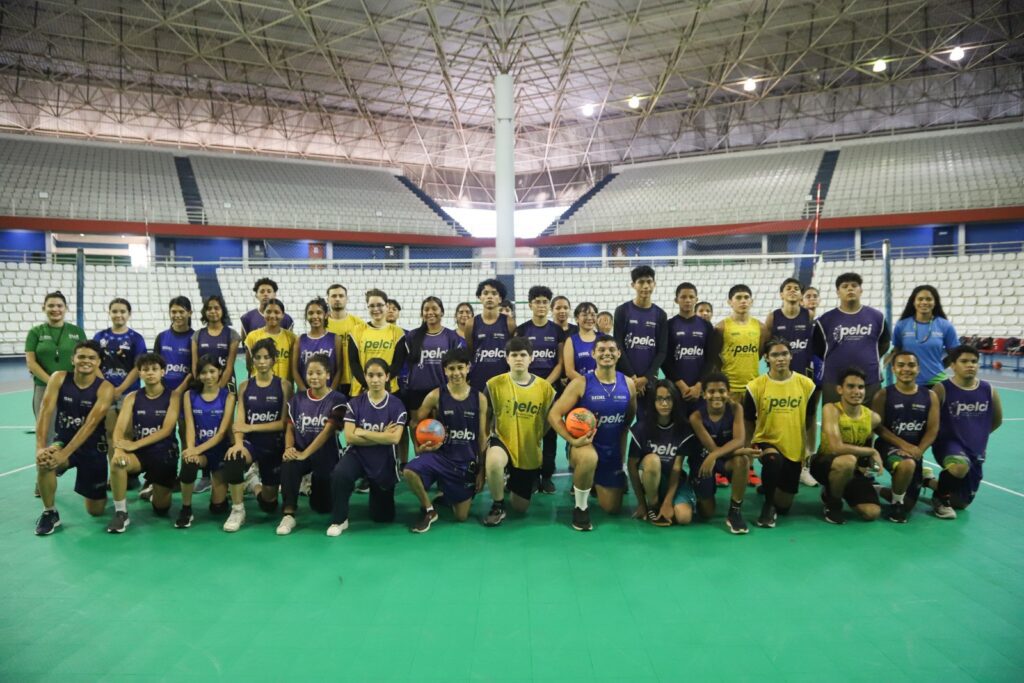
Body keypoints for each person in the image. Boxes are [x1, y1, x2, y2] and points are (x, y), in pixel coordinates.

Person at [549, 335, 636, 532]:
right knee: (589, 458)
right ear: (593, 354)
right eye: (602, 350)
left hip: (611, 453)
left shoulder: (628, 384)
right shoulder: (581, 383)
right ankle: (581, 507)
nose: (607, 353)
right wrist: (573, 440)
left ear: (619, 354)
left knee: (612, 509)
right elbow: (554, 415)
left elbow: (627, 422)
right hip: (584, 447)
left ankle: (592, 480)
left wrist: (621, 456)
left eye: (612, 350)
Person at [33, 341, 113, 535]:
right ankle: (49, 512)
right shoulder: (59, 378)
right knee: (45, 461)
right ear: (73, 359)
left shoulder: (105, 388)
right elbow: (45, 411)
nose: (86, 361)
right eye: (81, 357)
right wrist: (41, 447)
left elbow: (90, 425)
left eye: (91, 358)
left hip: (93, 447)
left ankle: (94, 490)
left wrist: (65, 454)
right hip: (63, 441)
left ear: (99, 362)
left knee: (95, 511)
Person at [403, 348, 486, 532]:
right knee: (409, 471)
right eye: (451, 369)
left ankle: (447, 494)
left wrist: (482, 471)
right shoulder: (436, 395)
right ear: (445, 371)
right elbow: (414, 423)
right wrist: (419, 448)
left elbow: (482, 437)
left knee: (461, 517)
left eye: (460, 368)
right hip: (440, 458)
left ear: (468, 368)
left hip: (465, 463)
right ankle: (430, 509)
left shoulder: (479, 398)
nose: (456, 373)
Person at [327, 359, 407, 536]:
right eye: (371, 375)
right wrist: (381, 436)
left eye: (379, 375)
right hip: (357, 455)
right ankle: (340, 520)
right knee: (340, 474)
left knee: (382, 517)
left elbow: (394, 438)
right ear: (365, 377)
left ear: (387, 377)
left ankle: (376, 493)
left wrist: (362, 432)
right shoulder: (355, 403)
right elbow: (349, 437)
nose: (375, 379)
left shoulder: (396, 405)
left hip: (384, 458)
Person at [481, 337, 556, 527]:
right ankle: (497, 505)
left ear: (531, 358)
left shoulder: (545, 388)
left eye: (523, 355)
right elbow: (485, 413)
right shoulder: (494, 384)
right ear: (507, 359)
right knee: (494, 461)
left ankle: (510, 483)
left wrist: (539, 434)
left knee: (520, 507)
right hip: (502, 439)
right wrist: (485, 438)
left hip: (528, 448)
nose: (518, 359)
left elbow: (550, 419)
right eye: (514, 355)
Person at [743, 338, 816, 528]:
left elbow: (809, 418)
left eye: (784, 353)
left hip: (793, 446)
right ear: (766, 358)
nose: (780, 358)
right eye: (775, 355)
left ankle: (770, 489)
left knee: (784, 506)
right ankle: (767, 507)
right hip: (766, 440)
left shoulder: (806, 385)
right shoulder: (755, 386)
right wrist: (749, 444)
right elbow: (748, 419)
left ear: (791, 356)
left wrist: (808, 446)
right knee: (773, 461)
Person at [106, 353, 181, 533]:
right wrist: (118, 449)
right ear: (139, 373)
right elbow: (119, 428)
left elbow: (166, 430)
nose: (150, 373)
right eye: (145, 369)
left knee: (161, 509)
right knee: (118, 463)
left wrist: (134, 445)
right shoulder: (132, 397)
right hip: (139, 455)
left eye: (154, 369)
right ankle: (121, 513)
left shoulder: (173, 397)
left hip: (164, 453)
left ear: (163, 372)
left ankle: (154, 487)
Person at [223, 338, 293, 532]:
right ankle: (237, 510)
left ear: (273, 360)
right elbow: (240, 423)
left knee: (269, 504)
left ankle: (253, 482)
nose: (261, 362)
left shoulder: (284, 386)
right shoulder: (245, 386)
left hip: (274, 446)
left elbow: (282, 423)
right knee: (234, 457)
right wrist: (238, 443)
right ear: (252, 360)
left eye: (266, 358)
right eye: (258, 358)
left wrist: (252, 428)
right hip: (251, 445)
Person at [927, 345, 1003, 519]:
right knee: (959, 466)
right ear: (953, 365)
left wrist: (978, 435)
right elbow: (930, 420)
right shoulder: (941, 389)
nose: (970, 365)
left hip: (976, 450)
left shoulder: (988, 390)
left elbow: (997, 420)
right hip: (948, 446)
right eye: (964, 361)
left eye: (974, 361)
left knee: (960, 503)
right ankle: (940, 499)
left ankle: (927, 481)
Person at [276, 354, 348, 535]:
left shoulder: (338, 399)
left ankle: (313, 484)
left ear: (328, 375)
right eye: (310, 373)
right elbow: (290, 428)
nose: (314, 377)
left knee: (322, 507)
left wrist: (305, 454)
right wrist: (289, 449)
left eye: (319, 373)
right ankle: (289, 514)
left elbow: (327, 432)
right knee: (289, 463)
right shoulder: (297, 399)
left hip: (327, 455)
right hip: (301, 452)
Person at [391, 297, 465, 465]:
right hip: (416, 390)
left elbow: (459, 363)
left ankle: (443, 463)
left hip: (443, 390)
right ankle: (420, 459)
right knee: (416, 426)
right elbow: (398, 361)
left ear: (442, 312)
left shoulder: (451, 337)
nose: (430, 312)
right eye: (426, 309)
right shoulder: (412, 337)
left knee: (442, 428)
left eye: (434, 309)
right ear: (422, 313)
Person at [870, 350, 939, 523]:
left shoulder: (930, 396)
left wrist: (918, 450)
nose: (906, 369)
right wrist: (904, 446)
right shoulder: (883, 394)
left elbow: (932, 429)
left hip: (915, 451)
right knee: (906, 465)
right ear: (893, 369)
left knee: (910, 504)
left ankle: (878, 490)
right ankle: (896, 503)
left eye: (911, 365)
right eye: (900, 365)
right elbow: (878, 427)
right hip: (888, 446)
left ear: (918, 369)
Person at [810, 367, 883, 524]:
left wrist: (866, 462)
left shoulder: (873, 418)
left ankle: (838, 489)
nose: (856, 391)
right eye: (850, 386)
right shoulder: (832, 409)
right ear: (840, 389)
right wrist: (871, 451)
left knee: (872, 513)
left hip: (853, 469)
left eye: (860, 387)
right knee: (847, 460)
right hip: (824, 463)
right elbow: (836, 447)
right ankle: (833, 502)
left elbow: (868, 440)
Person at [766, 278, 818, 486]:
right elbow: (766, 346)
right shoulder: (773, 317)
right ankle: (777, 462)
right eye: (788, 288)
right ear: (781, 295)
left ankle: (805, 465)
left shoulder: (809, 315)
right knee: (779, 416)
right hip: (779, 377)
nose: (793, 291)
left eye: (797, 288)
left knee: (807, 419)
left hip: (804, 375)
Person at [514, 286, 565, 494]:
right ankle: (531, 475)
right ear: (530, 305)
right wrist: (532, 383)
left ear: (549, 305)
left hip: (549, 389)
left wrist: (545, 384)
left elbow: (560, 363)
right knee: (529, 434)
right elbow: (518, 360)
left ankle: (546, 476)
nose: (541, 305)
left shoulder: (556, 331)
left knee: (550, 434)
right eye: (537, 302)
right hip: (527, 388)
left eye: (545, 302)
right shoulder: (523, 329)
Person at [688, 372, 753, 534]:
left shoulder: (736, 408)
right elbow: (712, 448)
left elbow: (739, 439)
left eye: (722, 391)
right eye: (711, 391)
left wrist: (719, 455)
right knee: (707, 513)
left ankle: (735, 511)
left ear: (728, 392)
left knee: (743, 461)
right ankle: (696, 488)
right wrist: (719, 454)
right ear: (704, 394)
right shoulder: (696, 417)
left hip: (720, 459)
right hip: (704, 461)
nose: (717, 395)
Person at [812, 272, 891, 405]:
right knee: (834, 423)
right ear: (838, 292)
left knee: (871, 423)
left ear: (861, 290)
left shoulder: (877, 317)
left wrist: (868, 357)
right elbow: (819, 349)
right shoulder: (825, 320)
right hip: (834, 382)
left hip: (869, 381)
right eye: (845, 286)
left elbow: (884, 344)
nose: (850, 289)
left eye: (854, 285)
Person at [176, 355, 235, 528]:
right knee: (188, 463)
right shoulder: (189, 395)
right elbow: (190, 426)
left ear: (220, 372)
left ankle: (226, 486)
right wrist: (192, 449)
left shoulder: (228, 397)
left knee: (218, 508)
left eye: (212, 371)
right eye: (203, 373)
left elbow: (221, 433)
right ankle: (186, 509)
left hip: (219, 450)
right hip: (200, 451)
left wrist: (195, 449)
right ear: (198, 375)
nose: (208, 376)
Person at [627, 380, 695, 527]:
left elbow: (677, 468)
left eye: (668, 399)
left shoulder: (683, 428)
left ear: (675, 401)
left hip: (673, 481)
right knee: (652, 460)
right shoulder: (641, 428)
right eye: (659, 399)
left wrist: (668, 502)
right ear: (653, 402)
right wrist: (641, 503)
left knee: (683, 518)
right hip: (650, 478)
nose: (664, 404)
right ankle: (652, 504)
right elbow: (632, 466)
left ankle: (664, 504)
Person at [26, 291, 86, 445]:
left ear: (66, 308)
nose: (55, 309)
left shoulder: (77, 332)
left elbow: (86, 358)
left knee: (76, 430)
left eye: (59, 305)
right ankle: (47, 467)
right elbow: (31, 363)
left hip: (73, 388)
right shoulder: (35, 333)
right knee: (46, 433)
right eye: (51, 305)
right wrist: (53, 383)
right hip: (43, 388)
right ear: (43, 308)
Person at [93, 298, 148, 458]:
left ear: (129, 314)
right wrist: (108, 389)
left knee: (129, 433)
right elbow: (94, 364)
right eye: (115, 311)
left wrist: (120, 389)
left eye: (122, 311)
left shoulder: (136, 338)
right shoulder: (100, 336)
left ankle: (130, 473)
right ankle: (114, 473)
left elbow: (138, 367)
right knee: (110, 433)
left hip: (129, 393)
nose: (119, 315)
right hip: (105, 394)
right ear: (109, 313)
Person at [613, 265, 667, 421]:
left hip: (649, 381)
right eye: (641, 282)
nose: (645, 286)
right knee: (621, 422)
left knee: (649, 423)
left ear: (654, 284)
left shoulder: (660, 315)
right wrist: (632, 378)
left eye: (649, 282)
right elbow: (619, 346)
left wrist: (645, 378)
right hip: (625, 379)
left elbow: (662, 351)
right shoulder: (622, 311)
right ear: (633, 285)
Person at [888, 285, 959, 386]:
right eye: (920, 299)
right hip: (908, 381)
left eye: (929, 299)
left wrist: (940, 366)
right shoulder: (901, 325)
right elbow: (896, 352)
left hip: (936, 381)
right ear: (913, 302)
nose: (924, 302)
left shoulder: (945, 325)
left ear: (935, 302)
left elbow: (955, 353)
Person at [663, 282, 718, 404]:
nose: (687, 300)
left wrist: (699, 385)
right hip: (676, 388)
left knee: (698, 422)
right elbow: (665, 360)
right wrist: (681, 385)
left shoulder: (706, 325)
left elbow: (711, 359)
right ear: (676, 300)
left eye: (691, 297)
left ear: (696, 299)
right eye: (683, 297)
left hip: (700, 389)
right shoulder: (669, 325)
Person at [717, 284, 769, 406]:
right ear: (730, 302)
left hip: (753, 386)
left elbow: (759, 354)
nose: (743, 301)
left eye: (746, 297)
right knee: (730, 423)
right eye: (738, 298)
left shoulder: (761, 327)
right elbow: (715, 357)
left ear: (751, 301)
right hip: (729, 387)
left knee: (752, 424)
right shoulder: (721, 327)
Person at [348, 288, 404, 396]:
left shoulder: (397, 332)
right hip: (361, 390)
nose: (376, 309)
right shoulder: (357, 330)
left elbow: (398, 363)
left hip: (389, 389)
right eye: (372, 306)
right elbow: (354, 363)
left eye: (380, 305)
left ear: (387, 306)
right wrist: (367, 384)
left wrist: (381, 383)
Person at [465, 279, 517, 394]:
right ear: (480, 297)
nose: (489, 297)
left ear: (500, 298)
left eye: (494, 293)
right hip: (478, 380)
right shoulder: (471, 323)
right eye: (485, 293)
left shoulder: (509, 323)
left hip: (503, 381)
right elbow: (470, 352)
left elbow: (513, 353)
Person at [191, 295, 241, 391]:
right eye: (209, 308)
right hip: (204, 385)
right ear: (205, 312)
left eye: (217, 308)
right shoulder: (197, 335)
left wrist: (218, 389)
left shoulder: (232, 335)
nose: (213, 311)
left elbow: (229, 367)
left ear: (222, 311)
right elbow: (195, 365)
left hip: (226, 385)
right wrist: (203, 384)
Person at [292, 298, 342, 392]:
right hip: (306, 394)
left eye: (319, 312)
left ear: (326, 315)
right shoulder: (300, 340)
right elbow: (295, 370)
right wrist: (304, 392)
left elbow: (339, 369)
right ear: (306, 316)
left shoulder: (335, 339)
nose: (315, 316)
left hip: (328, 393)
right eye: (311, 313)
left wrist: (330, 392)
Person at [244, 298, 296, 384]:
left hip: (284, 389)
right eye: (268, 312)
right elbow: (249, 366)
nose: (272, 315)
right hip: (259, 388)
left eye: (276, 312)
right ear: (263, 313)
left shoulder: (292, 338)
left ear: (283, 315)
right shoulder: (252, 337)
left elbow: (294, 366)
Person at [325, 283, 364, 397]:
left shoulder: (358, 323)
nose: (337, 299)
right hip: (329, 379)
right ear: (327, 299)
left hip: (354, 380)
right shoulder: (323, 323)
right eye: (334, 296)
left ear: (347, 299)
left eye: (341, 296)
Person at [153, 296, 194, 395]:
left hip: (186, 393)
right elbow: (155, 365)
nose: (177, 315)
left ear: (190, 313)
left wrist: (180, 390)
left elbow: (195, 370)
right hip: (162, 391)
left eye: (181, 311)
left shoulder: (195, 338)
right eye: (174, 312)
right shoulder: (161, 337)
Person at [563, 302, 598, 382]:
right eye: (585, 315)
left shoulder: (603, 338)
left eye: (593, 315)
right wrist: (588, 384)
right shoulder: (571, 341)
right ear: (576, 319)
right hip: (579, 387)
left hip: (601, 387)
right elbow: (569, 372)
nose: (589, 318)